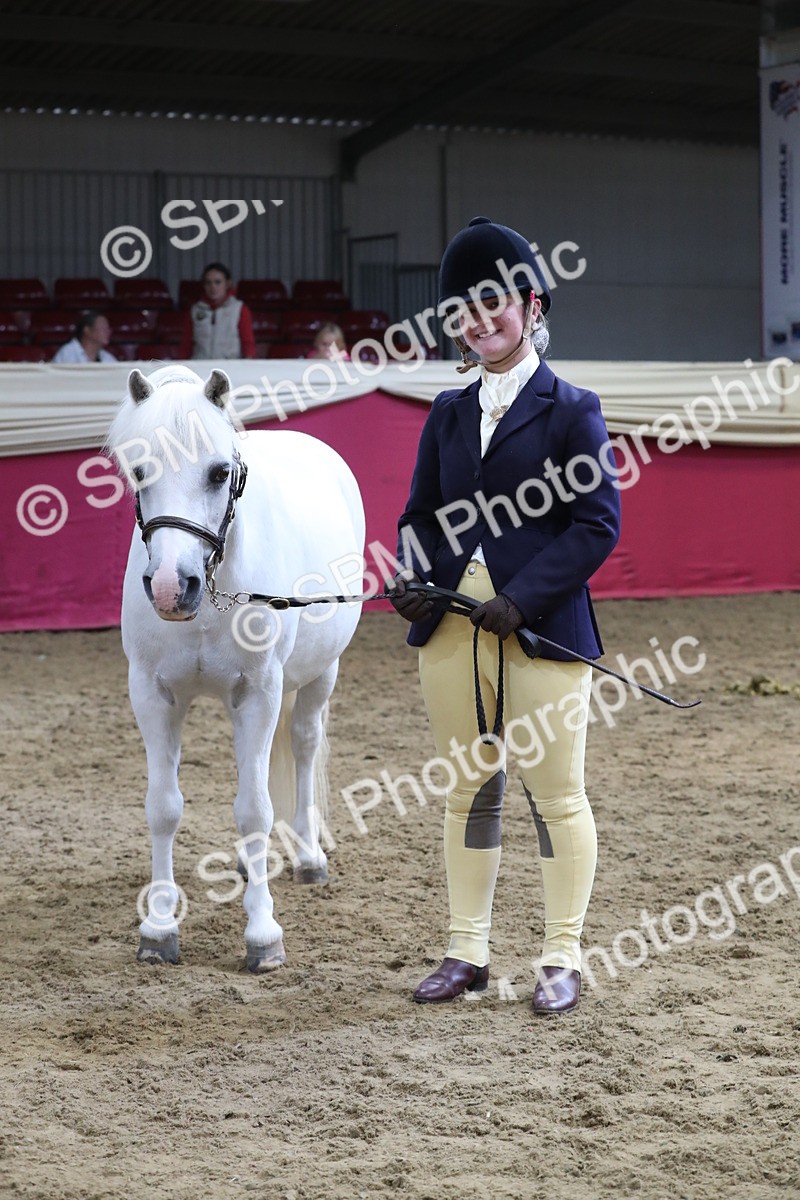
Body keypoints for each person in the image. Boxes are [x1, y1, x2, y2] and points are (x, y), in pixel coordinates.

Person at [390, 217, 621, 1014]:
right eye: (465, 308)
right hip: (453, 633)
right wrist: (413, 578)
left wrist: (524, 598)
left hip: (541, 630)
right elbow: (420, 517)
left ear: (531, 306)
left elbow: (597, 523)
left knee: (555, 795)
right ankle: (467, 952)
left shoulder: (572, 408)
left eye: (494, 303)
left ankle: (561, 956)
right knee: (468, 790)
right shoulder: (447, 413)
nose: (479, 319)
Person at [178, 262, 256, 359]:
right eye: (208, 283)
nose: (213, 287)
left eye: (217, 282)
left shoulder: (239, 309)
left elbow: (248, 343)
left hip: (230, 366)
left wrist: (249, 362)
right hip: (200, 365)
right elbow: (186, 344)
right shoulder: (195, 310)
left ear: (227, 284)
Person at [52, 311, 116, 363]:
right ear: (87, 330)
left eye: (108, 328)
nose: (108, 332)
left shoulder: (107, 357)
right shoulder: (67, 353)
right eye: (103, 327)